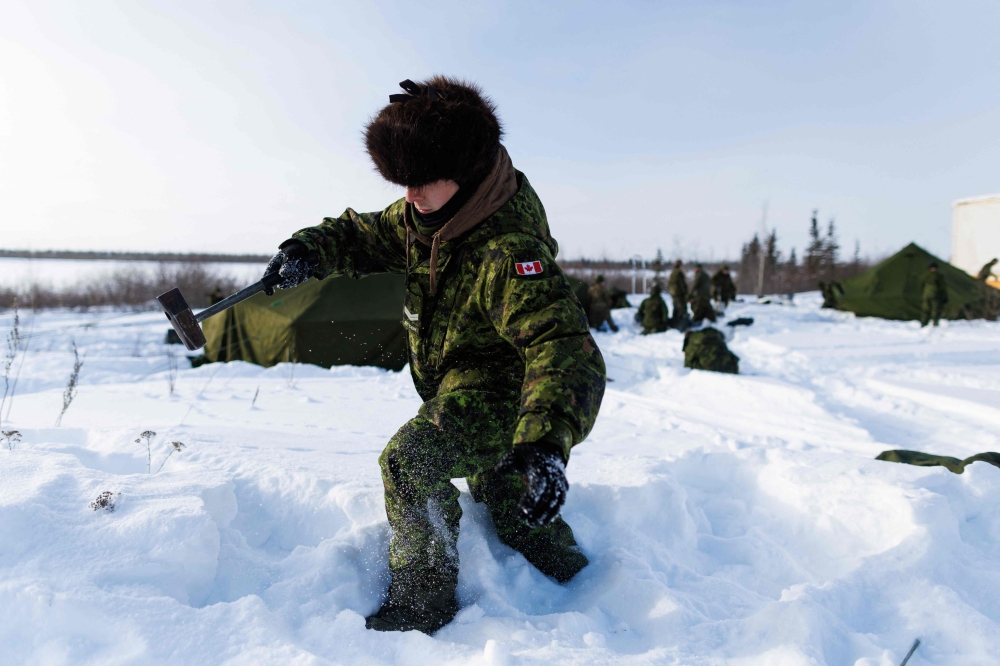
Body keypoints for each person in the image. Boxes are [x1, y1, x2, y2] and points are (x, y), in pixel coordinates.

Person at [261, 77, 606, 634]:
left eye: (421, 181)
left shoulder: (508, 252)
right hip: (458, 387)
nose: (409, 195)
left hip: (510, 397)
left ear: (464, 173)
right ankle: (567, 565)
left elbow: (562, 346)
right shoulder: (430, 215)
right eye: (403, 182)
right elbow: (365, 234)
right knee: (511, 497)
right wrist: (307, 249)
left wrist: (545, 441)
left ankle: (423, 602)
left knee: (411, 461)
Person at [920, 262, 948, 327]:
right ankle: (935, 323)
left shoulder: (925, 275)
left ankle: (924, 324)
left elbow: (921, 285)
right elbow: (943, 286)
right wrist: (944, 296)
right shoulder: (938, 275)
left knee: (925, 309)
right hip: (936, 294)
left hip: (926, 294)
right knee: (935, 309)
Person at [667, 260, 688, 326]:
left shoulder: (672, 273)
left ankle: (674, 322)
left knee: (675, 308)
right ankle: (680, 324)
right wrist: (685, 293)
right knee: (681, 309)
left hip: (673, 294)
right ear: (680, 265)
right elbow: (682, 284)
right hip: (679, 294)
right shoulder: (679, 273)